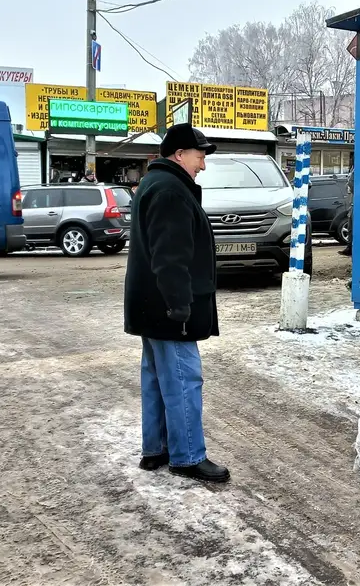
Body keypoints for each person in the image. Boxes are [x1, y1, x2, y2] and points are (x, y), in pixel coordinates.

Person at [123, 123, 230, 483]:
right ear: (180, 154)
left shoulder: (155, 183)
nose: (203, 165)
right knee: (184, 379)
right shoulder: (171, 190)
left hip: (151, 306)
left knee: (157, 378)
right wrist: (180, 305)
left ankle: (156, 449)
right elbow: (170, 257)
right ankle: (187, 456)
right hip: (170, 309)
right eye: (200, 157)